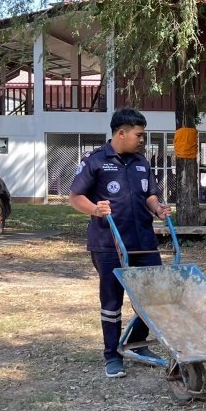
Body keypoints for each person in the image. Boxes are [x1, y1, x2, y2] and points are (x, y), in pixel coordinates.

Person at [69, 108, 170, 378]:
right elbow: (75, 196)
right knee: (112, 302)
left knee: (153, 298)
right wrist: (95, 209)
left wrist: (158, 209)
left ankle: (137, 343)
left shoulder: (141, 162)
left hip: (144, 242)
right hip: (109, 243)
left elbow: (150, 195)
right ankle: (112, 355)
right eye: (139, 135)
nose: (142, 140)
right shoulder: (96, 161)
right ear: (121, 133)